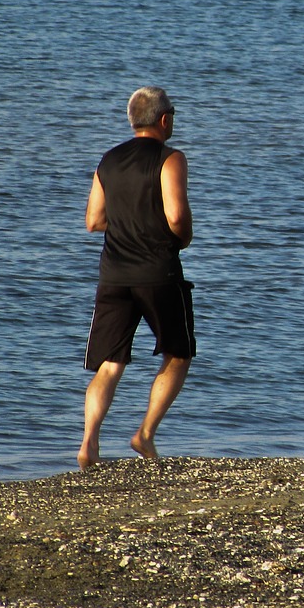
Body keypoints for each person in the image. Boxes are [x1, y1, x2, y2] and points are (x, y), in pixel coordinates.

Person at [79, 86, 196, 470]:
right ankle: (144, 434)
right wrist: (183, 237)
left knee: (109, 363)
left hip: (113, 273)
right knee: (178, 353)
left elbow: (94, 221)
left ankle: (89, 444)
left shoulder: (108, 160)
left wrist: (128, 220)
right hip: (158, 272)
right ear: (164, 120)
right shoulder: (170, 158)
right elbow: (176, 217)